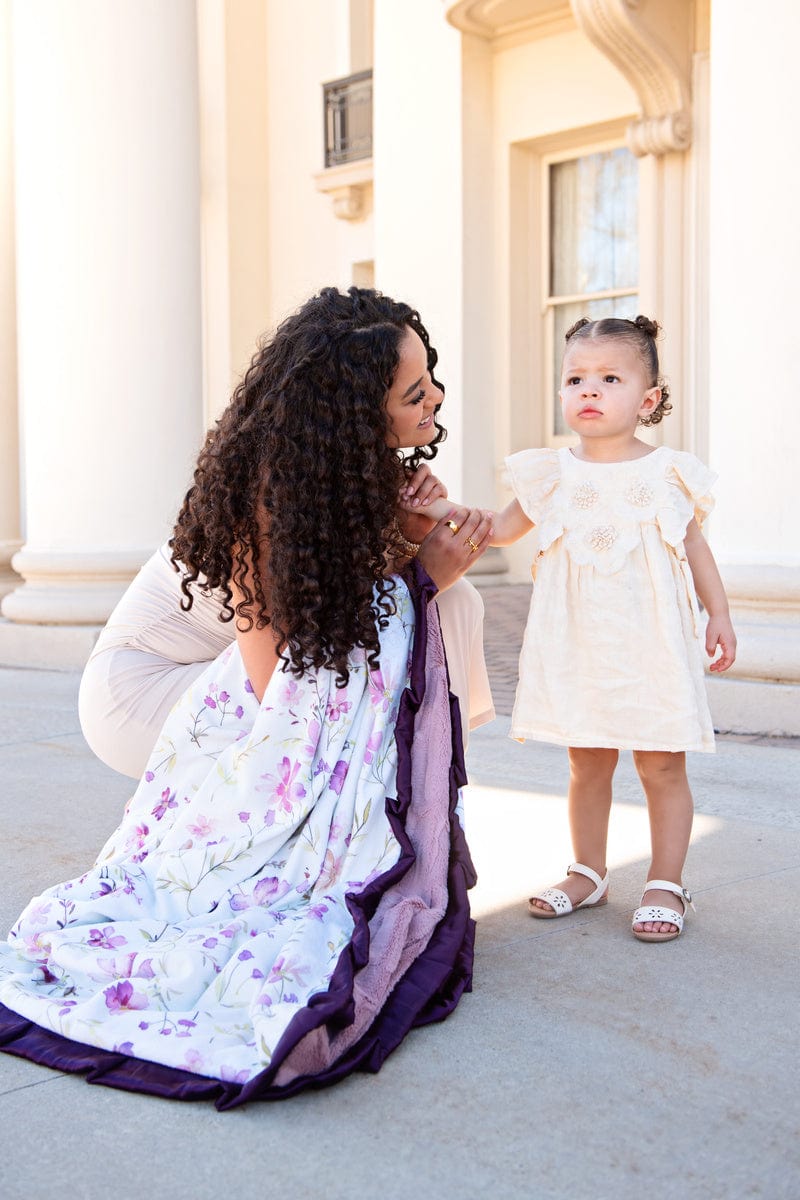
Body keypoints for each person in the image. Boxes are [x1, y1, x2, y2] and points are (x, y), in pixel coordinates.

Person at [0, 286, 495, 1108]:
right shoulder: (270, 497)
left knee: (449, 606)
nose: (436, 398)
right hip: (141, 689)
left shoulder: (344, 469)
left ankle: (407, 805)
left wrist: (406, 548)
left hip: (232, 667)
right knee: (428, 609)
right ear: (355, 410)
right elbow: (277, 683)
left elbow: (336, 616)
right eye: (415, 393)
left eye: (430, 379)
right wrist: (418, 575)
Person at [415, 315, 736, 943]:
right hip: (580, 645)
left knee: (661, 765)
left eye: (608, 378)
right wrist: (439, 510)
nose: (588, 390)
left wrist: (717, 614)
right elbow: (500, 528)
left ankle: (666, 880)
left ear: (647, 400)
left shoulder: (667, 472)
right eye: (575, 378)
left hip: (652, 647)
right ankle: (589, 871)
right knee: (586, 762)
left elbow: (695, 549)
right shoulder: (551, 474)